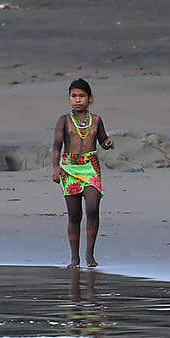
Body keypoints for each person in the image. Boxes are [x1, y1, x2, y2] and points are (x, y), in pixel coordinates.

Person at [51, 78, 113, 267]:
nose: (77, 100)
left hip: (90, 168)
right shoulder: (64, 120)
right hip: (69, 168)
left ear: (90, 98)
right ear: (69, 98)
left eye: (82, 96)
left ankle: (90, 254)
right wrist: (55, 168)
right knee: (74, 215)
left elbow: (102, 140)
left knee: (93, 209)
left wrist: (107, 144)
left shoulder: (96, 120)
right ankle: (74, 258)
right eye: (74, 96)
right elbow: (56, 146)